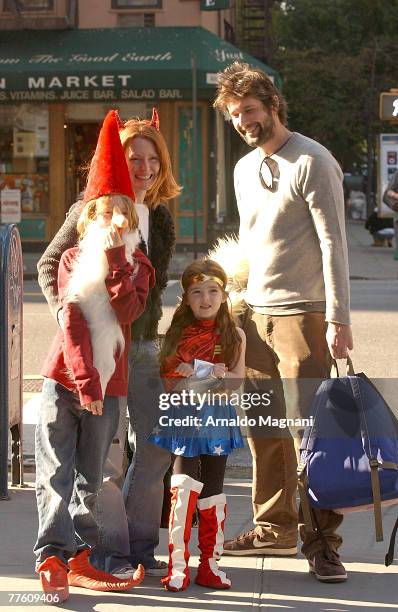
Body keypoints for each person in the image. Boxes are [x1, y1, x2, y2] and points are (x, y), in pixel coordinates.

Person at [213, 62, 353, 583]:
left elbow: (334, 243)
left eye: (249, 109)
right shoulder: (244, 169)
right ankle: (274, 528)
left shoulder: (313, 160)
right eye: (234, 115)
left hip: (304, 316)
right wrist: (233, 303)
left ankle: (323, 543)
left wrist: (338, 319)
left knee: (310, 435)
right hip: (254, 314)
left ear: (272, 104)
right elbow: (250, 242)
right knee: (263, 431)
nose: (243, 121)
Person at [37, 109, 180, 578]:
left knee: (156, 446)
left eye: (152, 158)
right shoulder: (91, 209)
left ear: (161, 164)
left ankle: (139, 543)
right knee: (106, 459)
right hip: (93, 350)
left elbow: (148, 293)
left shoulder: (159, 216)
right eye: (134, 157)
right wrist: (68, 316)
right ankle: (110, 552)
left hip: (141, 346)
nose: (144, 167)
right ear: (119, 161)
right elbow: (50, 264)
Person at [149, 259, 246, 592]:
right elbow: (166, 381)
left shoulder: (235, 334)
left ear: (223, 294)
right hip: (186, 422)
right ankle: (178, 567)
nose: (206, 299)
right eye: (197, 292)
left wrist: (222, 374)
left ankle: (210, 565)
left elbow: (237, 382)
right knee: (183, 487)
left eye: (213, 291)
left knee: (214, 491)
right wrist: (183, 373)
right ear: (187, 298)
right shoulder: (177, 334)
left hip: (218, 421)